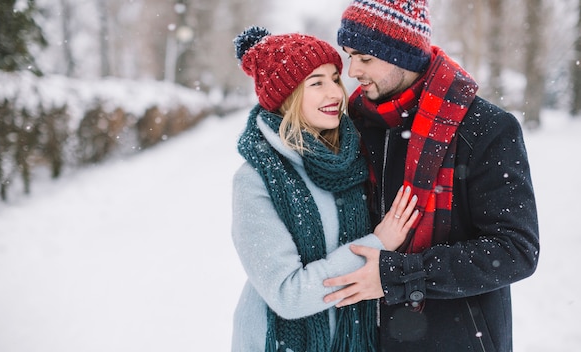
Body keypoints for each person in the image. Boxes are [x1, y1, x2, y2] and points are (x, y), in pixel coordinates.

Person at [322, 1, 540, 351]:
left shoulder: (484, 129)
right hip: (365, 338)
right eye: (349, 56)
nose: (352, 71)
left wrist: (400, 275)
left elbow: (515, 250)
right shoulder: (354, 124)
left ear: (402, 53)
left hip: (457, 340)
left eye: (364, 58)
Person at [230, 26, 419, 352]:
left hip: (354, 338)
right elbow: (288, 294)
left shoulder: (353, 157)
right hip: (280, 341)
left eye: (334, 78)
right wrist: (377, 244)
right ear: (285, 96)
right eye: (316, 83)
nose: (334, 93)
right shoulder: (257, 179)